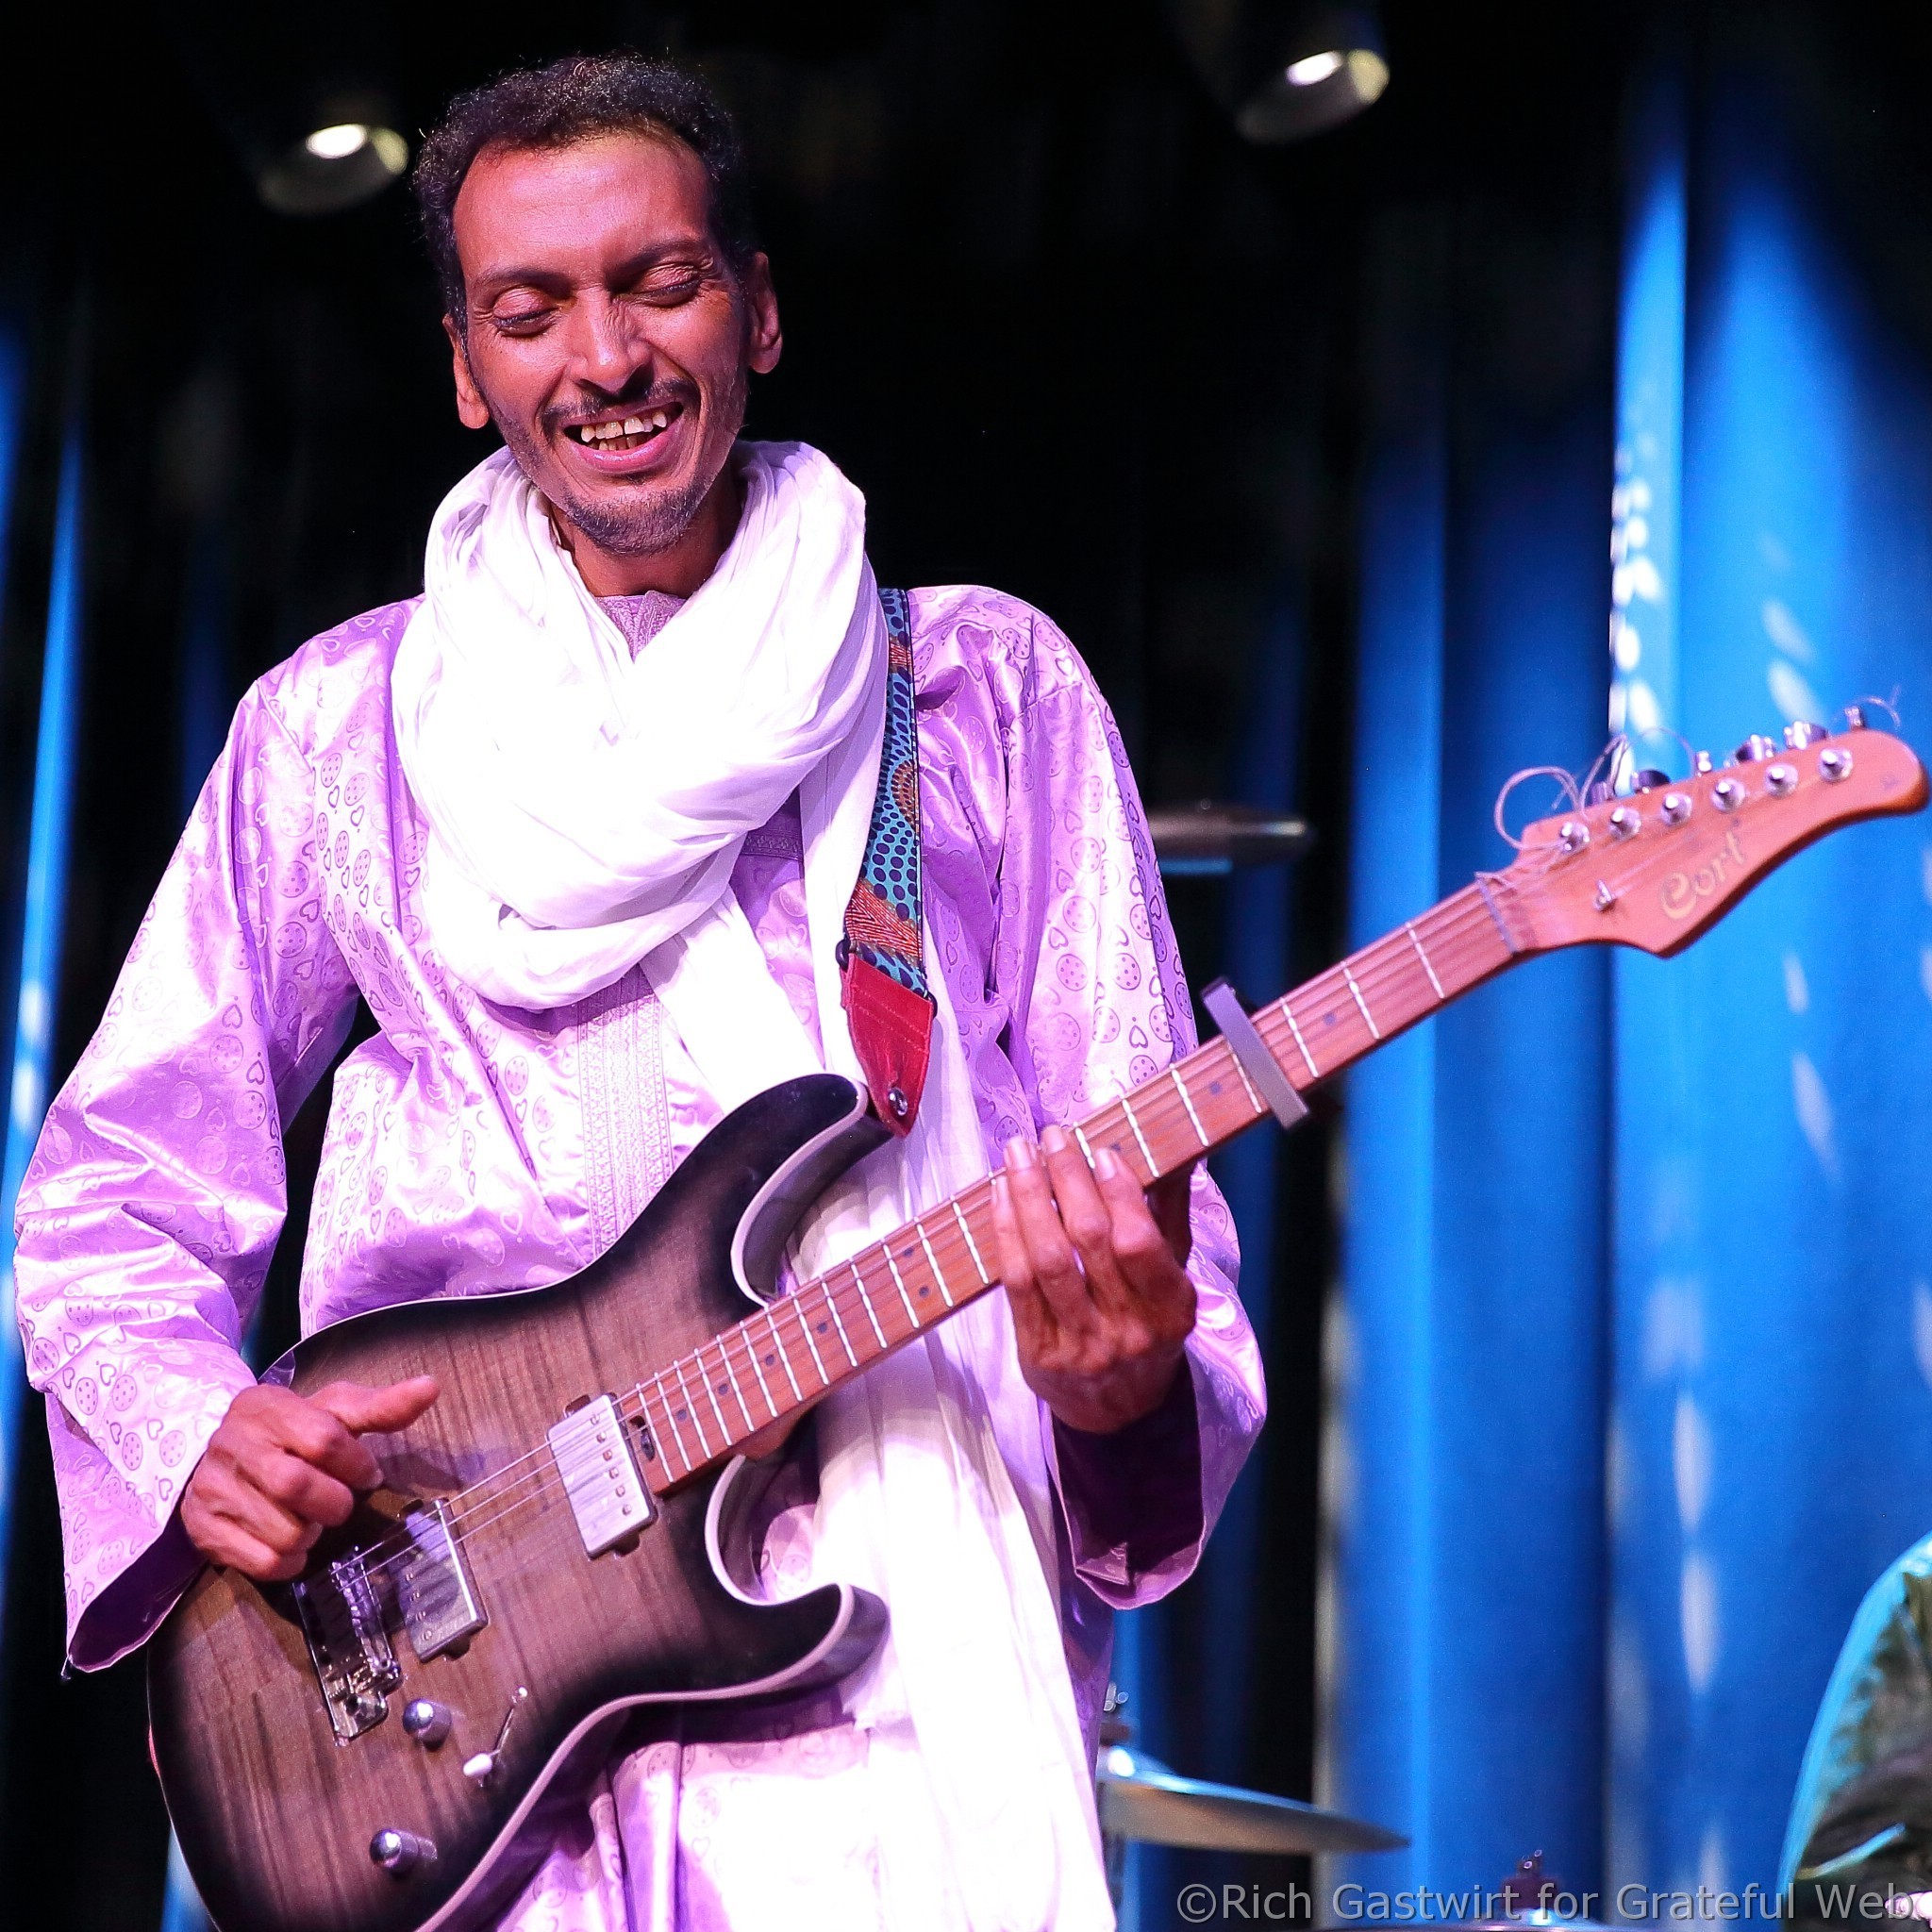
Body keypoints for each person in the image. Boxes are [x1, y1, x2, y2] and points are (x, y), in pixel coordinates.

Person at [12, 53, 1264, 1932]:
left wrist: (1122, 1384)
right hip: (438, 1705)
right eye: (529, 311)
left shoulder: (975, 696)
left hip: (882, 1727)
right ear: (465, 366)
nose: (604, 358)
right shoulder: (336, 735)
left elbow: (1148, 1229)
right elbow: (114, 1197)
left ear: (756, 309)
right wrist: (200, 1432)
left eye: (658, 284)